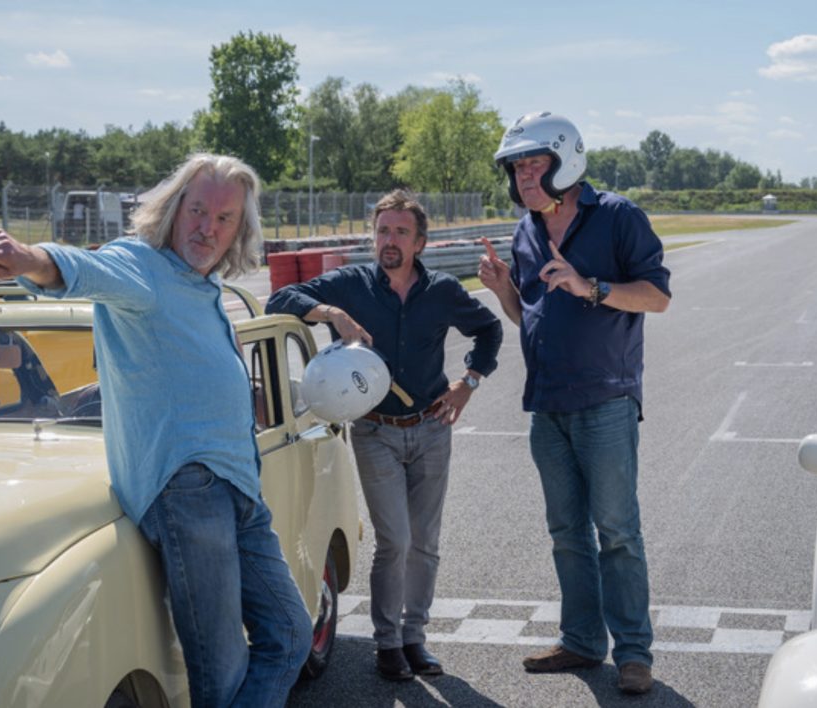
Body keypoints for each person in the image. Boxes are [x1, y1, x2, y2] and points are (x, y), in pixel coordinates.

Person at [0, 153, 312, 708]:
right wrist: (30, 259)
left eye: (224, 218)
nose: (208, 228)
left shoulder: (200, 285)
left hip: (239, 489)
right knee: (222, 675)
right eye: (198, 211)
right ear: (174, 208)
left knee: (291, 634)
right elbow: (86, 269)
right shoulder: (143, 267)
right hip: (190, 489)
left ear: (238, 230)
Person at [266, 189, 502, 681]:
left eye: (400, 232)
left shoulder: (441, 290)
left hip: (433, 427)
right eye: (382, 231)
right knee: (395, 539)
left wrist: (468, 383)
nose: (389, 240)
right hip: (375, 431)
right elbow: (281, 298)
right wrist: (332, 314)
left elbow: (490, 330)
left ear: (419, 242)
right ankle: (388, 643)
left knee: (425, 542)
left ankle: (415, 638)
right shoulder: (350, 285)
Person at [478, 112, 670, 696]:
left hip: (606, 399)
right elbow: (531, 317)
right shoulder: (526, 231)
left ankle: (633, 653)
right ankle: (583, 641)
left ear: (566, 162)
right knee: (566, 531)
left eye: (534, 164)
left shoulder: (618, 217)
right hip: (547, 404)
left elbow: (657, 296)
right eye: (517, 168)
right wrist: (504, 291)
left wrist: (591, 286)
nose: (524, 176)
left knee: (617, 531)